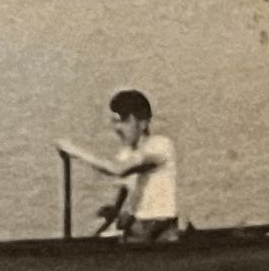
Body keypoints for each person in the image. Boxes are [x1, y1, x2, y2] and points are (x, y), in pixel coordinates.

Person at [57, 89, 179, 243]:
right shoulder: (126, 154)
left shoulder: (160, 145)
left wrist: (75, 151)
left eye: (125, 120)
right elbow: (124, 191)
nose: (118, 128)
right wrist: (114, 212)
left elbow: (118, 169)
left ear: (143, 123)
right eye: (115, 121)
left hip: (162, 229)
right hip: (138, 227)